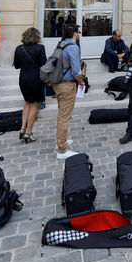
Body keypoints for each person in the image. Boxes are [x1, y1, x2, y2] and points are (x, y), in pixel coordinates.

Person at [53, 24, 84, 160]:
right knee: (64, 117)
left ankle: (61, 141)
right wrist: (81, 81)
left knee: (62, 114)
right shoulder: (73, 47)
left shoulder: (61, 44)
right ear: (75, 34)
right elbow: (76, 71)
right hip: (67, 85)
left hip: (58, 84)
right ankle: (62, 149)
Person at [13, 27, 47, 143]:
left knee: (27, 102)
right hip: (35, 78)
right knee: (34, 105)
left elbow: (17, 65)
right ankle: (28, 132)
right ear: (37, 36)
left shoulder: (19, 48)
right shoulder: (40, 48)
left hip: (23, 78)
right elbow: (44, 64)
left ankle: (22, 127)